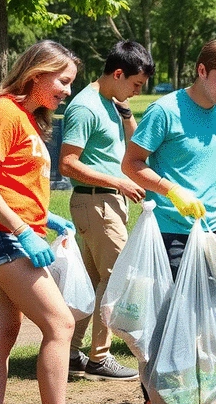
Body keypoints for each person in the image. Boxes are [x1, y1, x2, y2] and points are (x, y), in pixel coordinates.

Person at [0, 41, 111, 404]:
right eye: (63, 80)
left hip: (11, 233)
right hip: (3, 237)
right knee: (60, 325)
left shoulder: (25, 119)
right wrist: (23, 228)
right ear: (36, 74)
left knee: (2, 333)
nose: (67, 91)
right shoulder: (2, 112)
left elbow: (12, 182)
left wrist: (45, 220)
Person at [122, 38, 216, 404]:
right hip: (170, 231)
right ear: (200, 70)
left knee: (210, 319)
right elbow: (132, 164)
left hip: (210, 232)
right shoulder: (165, 111)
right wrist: (172, 191)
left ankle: (204, 396)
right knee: (172, 322)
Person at [59, 40, 154, 382]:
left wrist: (126, 111)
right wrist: (120, 182)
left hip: (105, 201)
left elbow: (132, 145)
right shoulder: (85, 107)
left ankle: (70, 350)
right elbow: (68, 163)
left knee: (93, 280)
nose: (136, 90)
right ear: (118, 73)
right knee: (115, 280)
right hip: (96, 201)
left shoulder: (110, 103)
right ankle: (99, 357)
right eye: (135, 84)